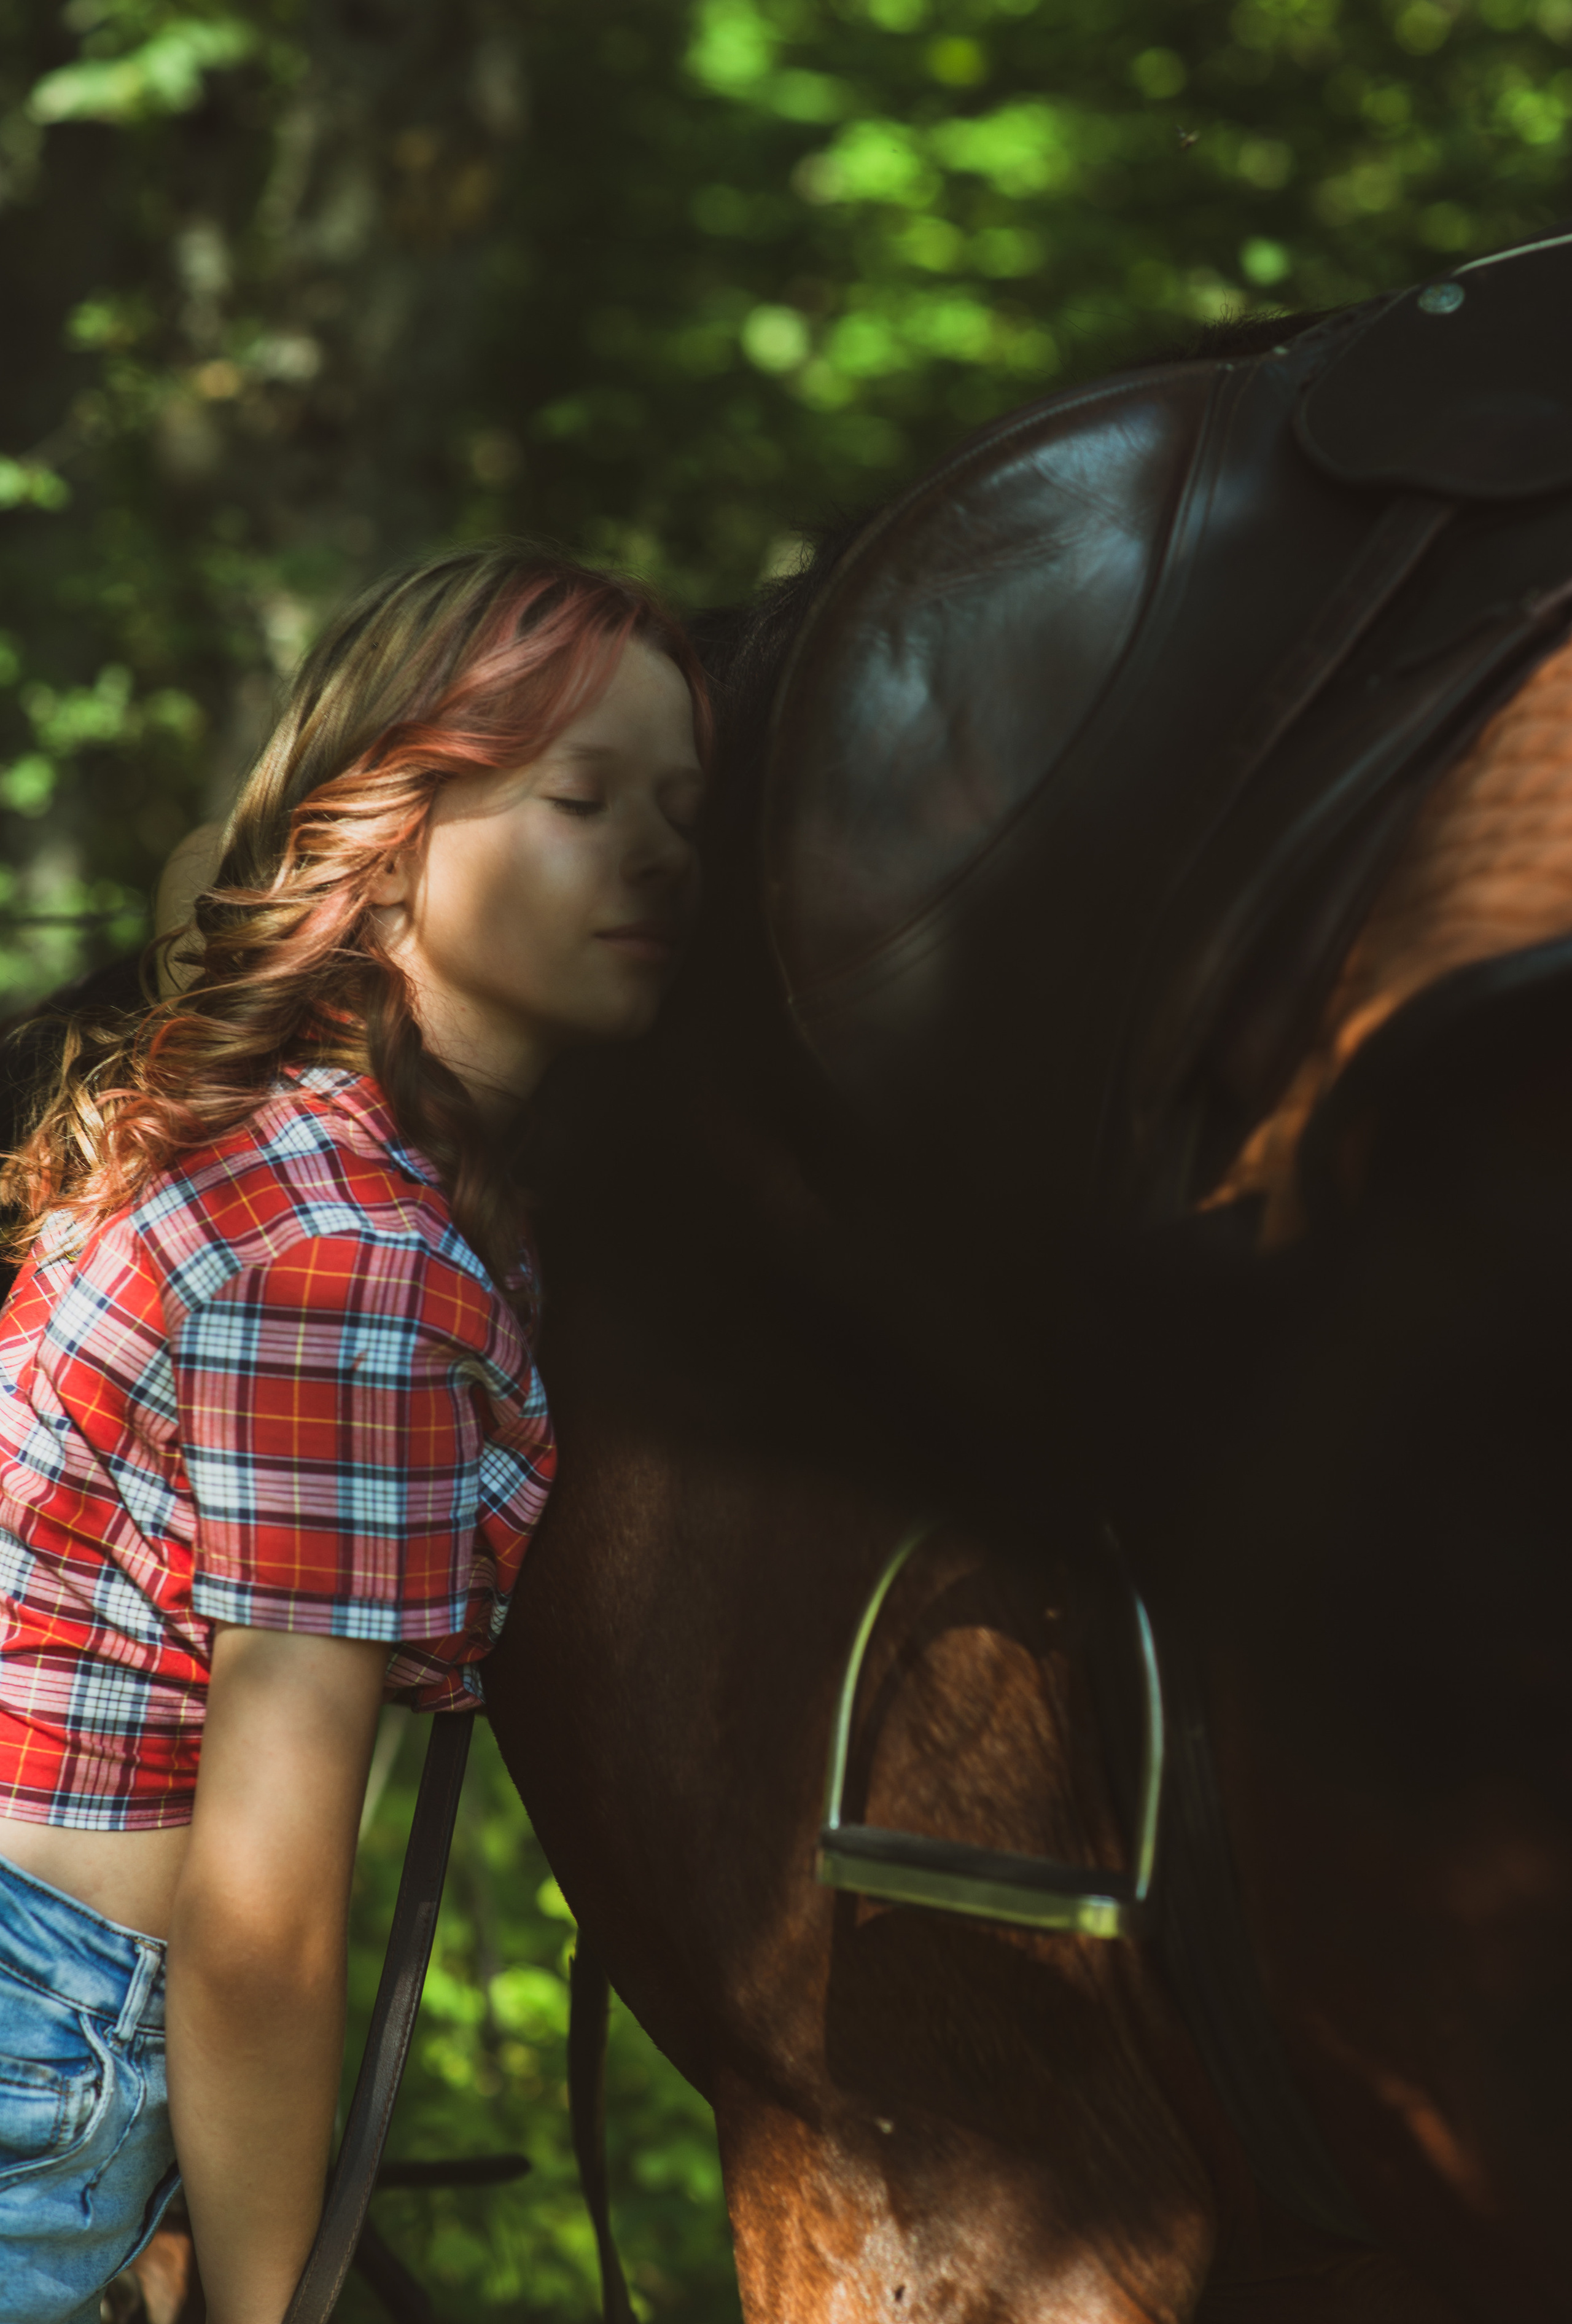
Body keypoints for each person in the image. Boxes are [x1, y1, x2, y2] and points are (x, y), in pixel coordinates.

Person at [0, 542, 709, 2324]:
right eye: (583, 797)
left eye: (687, 808)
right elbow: (260, 1920)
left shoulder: (242, 1107)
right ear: (383, 849)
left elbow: (207, 885)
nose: (660, 858)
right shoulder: (351, 1267)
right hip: (47, 2016)